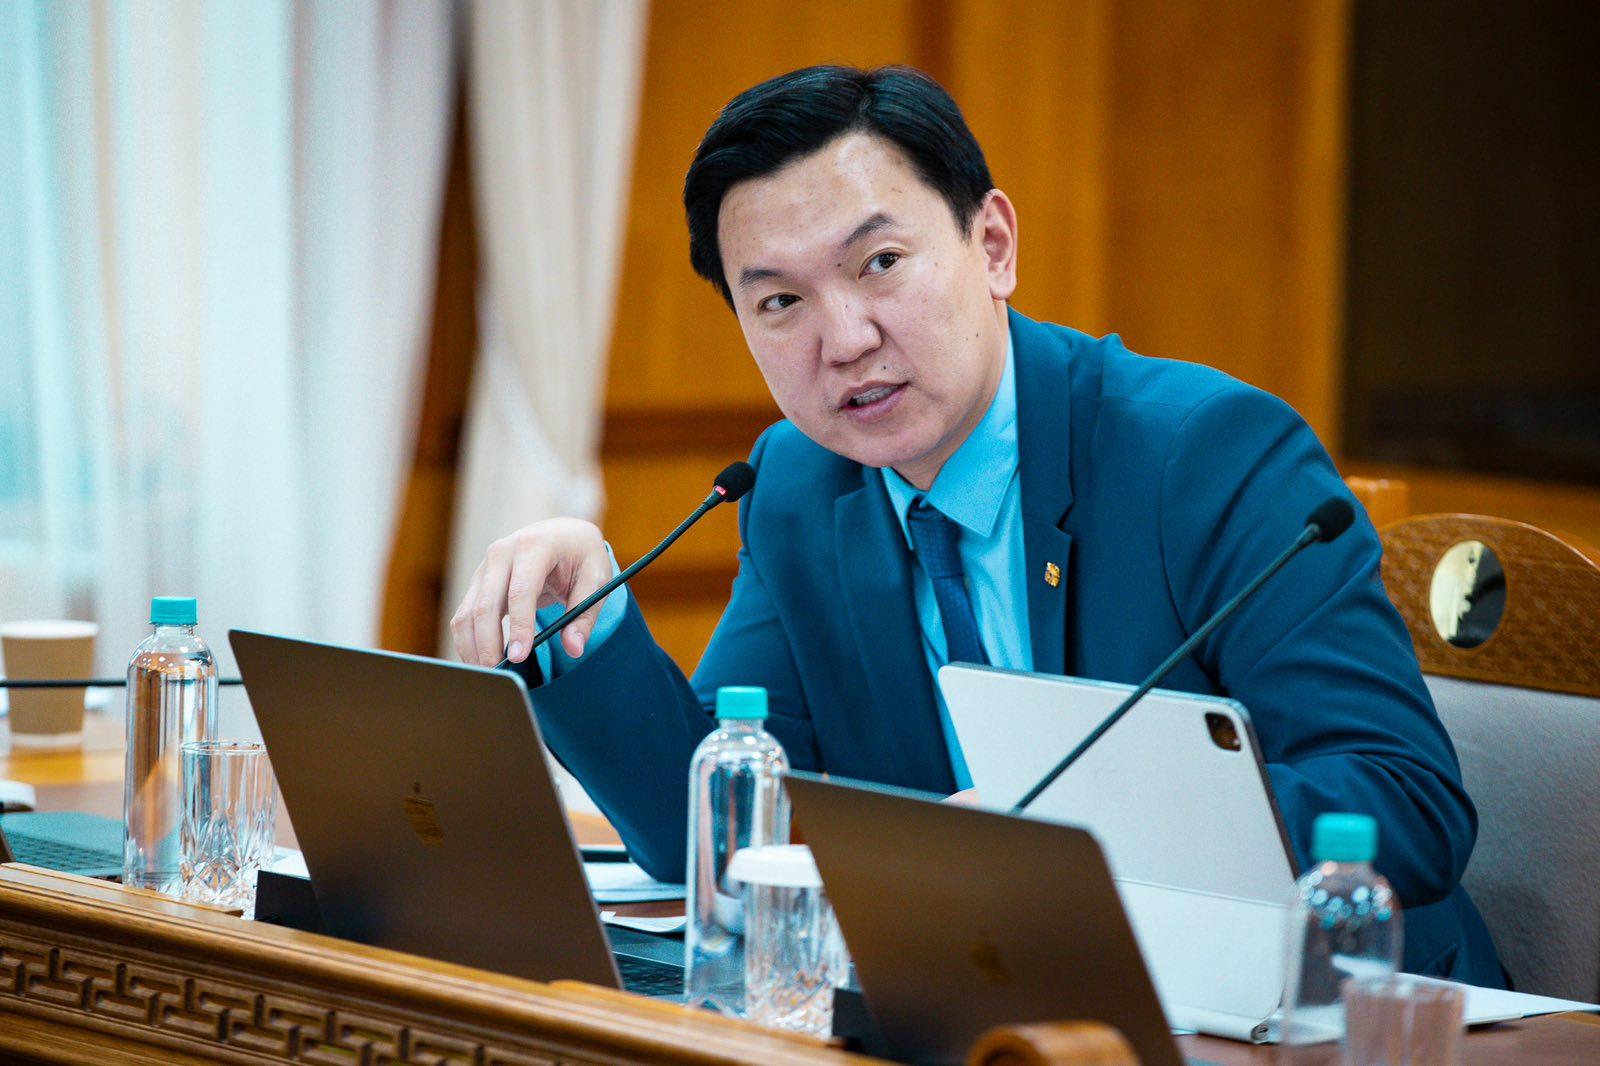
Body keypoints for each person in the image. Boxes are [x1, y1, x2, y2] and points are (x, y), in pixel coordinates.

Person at [451, 65, 1502, 986]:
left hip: (1311, 1012)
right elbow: (723, 830)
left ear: (992, 245)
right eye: (779, 303)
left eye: (879, 263)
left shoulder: (1207, 453)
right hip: (998, 1001)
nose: (844, 338)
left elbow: (1404, 805)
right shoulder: (800, 484)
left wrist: (1075, 826)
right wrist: (588, 629)